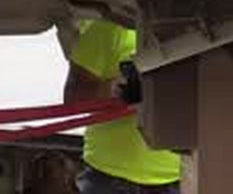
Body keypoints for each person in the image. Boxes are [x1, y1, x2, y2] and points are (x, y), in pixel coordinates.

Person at [64, 19, 182, 194]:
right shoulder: (109, 28)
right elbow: (73, 98)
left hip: (180, 178)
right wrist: (113, 88)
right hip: (107, 177)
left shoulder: (203, 30)